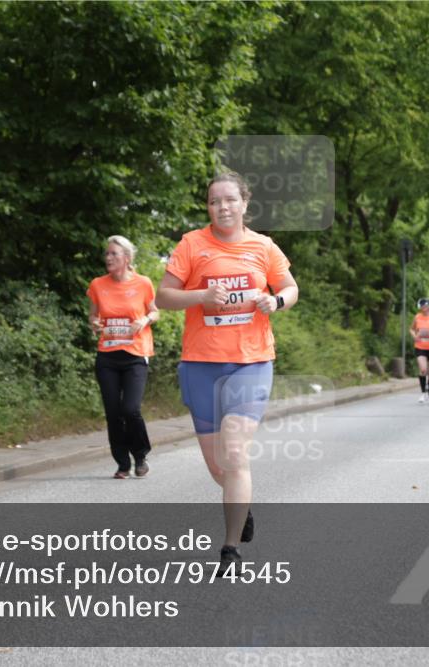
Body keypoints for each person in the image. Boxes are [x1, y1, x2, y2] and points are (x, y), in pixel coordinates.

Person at [156, 172, 298, 576]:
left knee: (234, 453)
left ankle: (230, 549)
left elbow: (290, 287)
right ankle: (243, 503)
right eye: (215, 201)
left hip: (251, 362)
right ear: (209, 207)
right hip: (200, 364)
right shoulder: (191, 244)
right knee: (219, 468)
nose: (222, 207)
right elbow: (163, 297)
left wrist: (276, 300)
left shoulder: (263, 246)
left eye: (230, 200)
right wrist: (200, 295)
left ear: (244, 204)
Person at [88, 236, 159, 480]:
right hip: (107, 356)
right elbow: (93, 317)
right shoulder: (98, 284)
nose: (108, 258)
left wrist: (144, 320)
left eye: (113, 254)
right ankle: (122, 463)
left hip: (135, 355)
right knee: (113, 412)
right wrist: (95, 325)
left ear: (127, 259)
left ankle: (140, 455)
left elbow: (155, 312)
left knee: (130, 409)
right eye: (107, 254)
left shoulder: (143, 283)